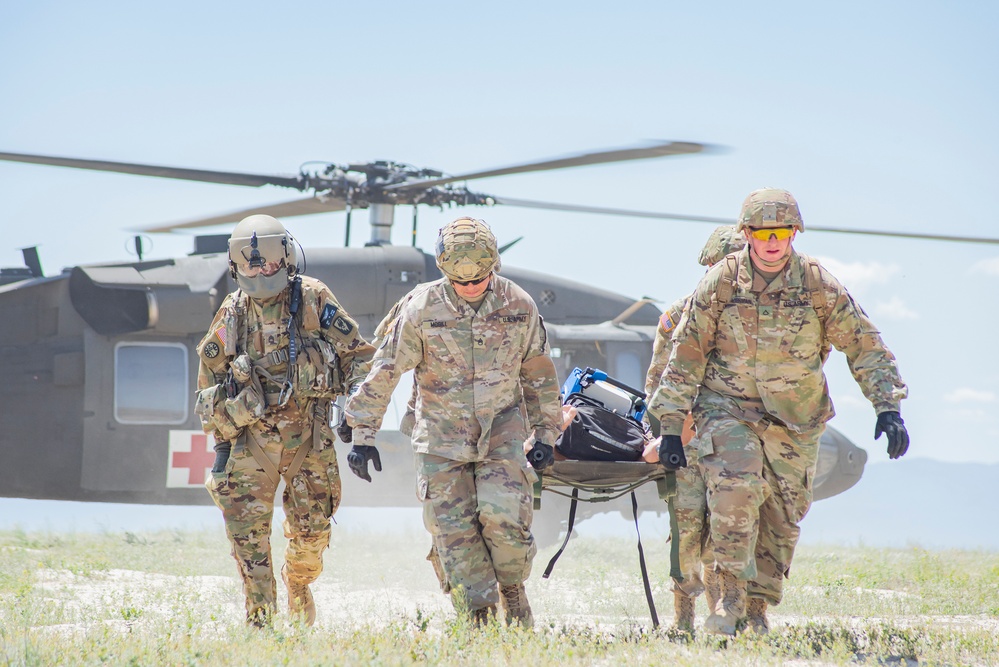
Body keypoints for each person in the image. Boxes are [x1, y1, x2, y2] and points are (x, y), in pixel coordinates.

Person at [649, 188, 909, 636]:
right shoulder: (721, 282)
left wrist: (887, 406)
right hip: (726, 408)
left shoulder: (818, 285)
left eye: (782, 232)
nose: (773, 241)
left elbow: (864, 344)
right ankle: (727, 597)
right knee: (737, 488)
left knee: (783, 517)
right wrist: (671, 425)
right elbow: (685, 353)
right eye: (764, 232)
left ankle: (756, 608)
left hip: (796, 417)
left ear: (794, 233)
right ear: (748, 234)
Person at [343, 217, 562, 627]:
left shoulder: (519, 305)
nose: (471, 287)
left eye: (480, 279)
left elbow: (539, 374)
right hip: (440, 440)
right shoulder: (421, 308)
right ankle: (477, 620)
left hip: (502, 432)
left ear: (493, 265)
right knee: (455, 535)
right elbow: (386, 368)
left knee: (505, 521)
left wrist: (547, 432)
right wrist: (363, 433)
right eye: (461, 282)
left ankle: (513, 592)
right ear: (445, 271)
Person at [195, 214, 374, 627]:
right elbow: (207, 391)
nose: (260, 272)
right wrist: (226, 434)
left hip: (308, 439)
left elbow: (359, 358)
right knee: (248, 542)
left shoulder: (313, 299)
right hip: (249, 444)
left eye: (268, 264)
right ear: (236, 266)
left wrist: (355, 409)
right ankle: (260, 626)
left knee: (311, 539)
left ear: (287, 259)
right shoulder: (232, 313)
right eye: (251, 265)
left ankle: (297, 584)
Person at [642, 224, 746, 634]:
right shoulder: (678, 314)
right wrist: (673, 429)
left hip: (736, 444)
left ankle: (736, 615)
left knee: (731, 532)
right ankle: (682, 619)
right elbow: (655, 383)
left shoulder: (761, 317)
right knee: (686, 533)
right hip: (686, 441)